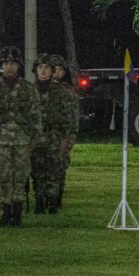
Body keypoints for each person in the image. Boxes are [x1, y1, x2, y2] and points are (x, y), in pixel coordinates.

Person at [0, 45, 41, 227]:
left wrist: (34, 139)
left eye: (12, 63)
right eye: (5, 63)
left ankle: (17, 212)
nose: (9, 67)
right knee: (4, 175)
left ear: (18, 65)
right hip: (0, 140)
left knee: (20, 175)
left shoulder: (28, 89)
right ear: (1, 65)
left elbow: (36, 115)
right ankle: (6, 210)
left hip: (23, 140)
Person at [31, 54, 78, 214]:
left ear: (52, 71)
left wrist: (69, 137)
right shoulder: (29, 91)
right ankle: (39, 200)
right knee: (37, 171)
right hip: (35, 137)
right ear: (36, 70)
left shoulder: (62, 92)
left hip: (55, 136)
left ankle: (52, 203)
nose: (43, 71)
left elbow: (69, 116)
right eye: (40, 68)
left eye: (47, 68)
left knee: (53, 170)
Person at [49, 54, 78, 205]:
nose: (57, 72)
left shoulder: (67, 90)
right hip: (45, 136)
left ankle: (57, 198)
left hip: (62, 135)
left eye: (60, 69)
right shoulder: (40, 89)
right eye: (54, 69)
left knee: (60, 167)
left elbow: (74, 114)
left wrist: (72, 135)